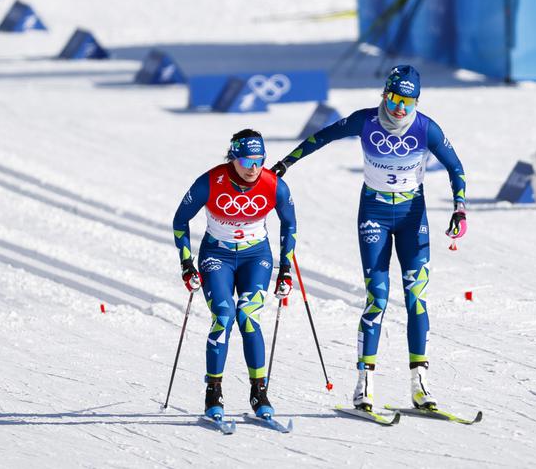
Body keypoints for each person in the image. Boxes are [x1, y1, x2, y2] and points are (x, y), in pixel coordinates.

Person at [269, 65, 466, 413]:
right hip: (374, 213)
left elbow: (456, 168)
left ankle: (420, 383)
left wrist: (459, 209)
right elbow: (323, 136)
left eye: (407, 101)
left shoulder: (426, 128)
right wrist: (285, 164)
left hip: (411, 216)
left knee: (416, 297)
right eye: (393, 98)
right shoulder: (365, 121)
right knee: (377, 298)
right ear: (384, 94)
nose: (399, 108)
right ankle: (364, 383)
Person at [172, 130, 296, 421]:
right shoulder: (210, 181)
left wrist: (286, 269)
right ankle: (213, 391)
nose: (253, 168)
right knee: (224, 316)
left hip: (256, 256)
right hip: (217, 255)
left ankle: (259, 391)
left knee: (247, 315)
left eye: (259, 161)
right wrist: (186, 264)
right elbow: (180, 220)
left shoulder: (274, 185)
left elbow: (289, 224)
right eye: (246, 161)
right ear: (233, 158)